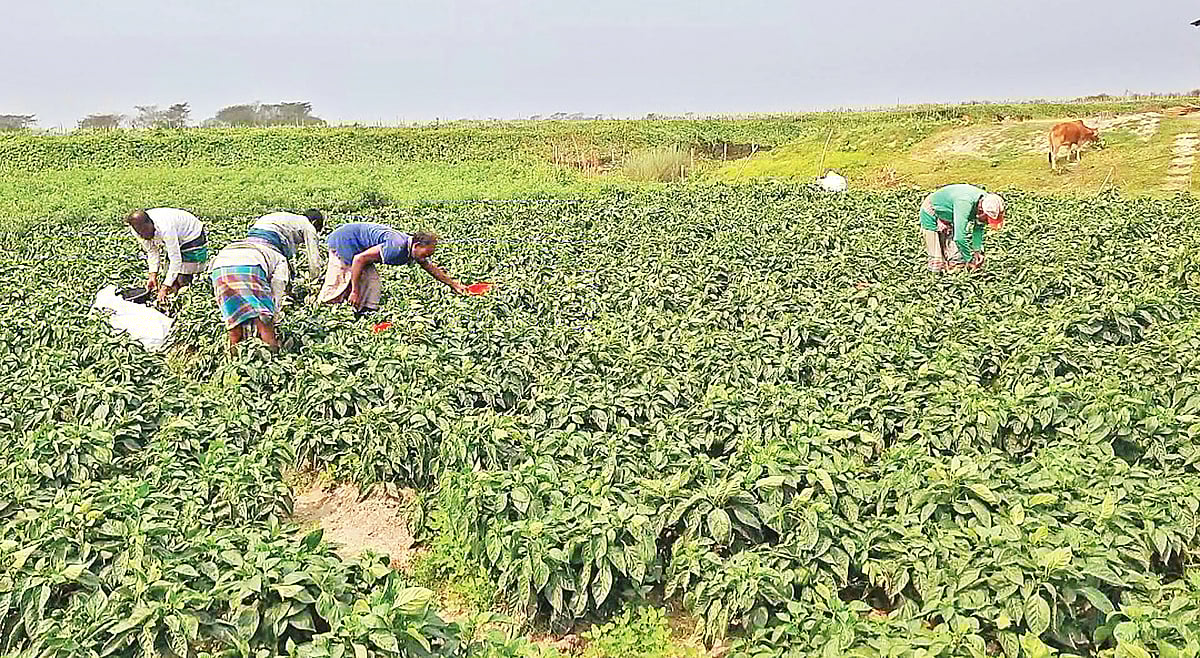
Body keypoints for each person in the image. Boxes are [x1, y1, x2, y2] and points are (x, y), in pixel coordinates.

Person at [318, 222, 466, 317]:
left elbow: (430, 268)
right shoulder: (396, 248)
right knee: (340, 281)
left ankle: (365, 314)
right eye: (426, 253)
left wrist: (454, 285)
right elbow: (358, 259)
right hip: (344, 242)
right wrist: (354, 291)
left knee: (372, 283)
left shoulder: (413, 251)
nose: (426, 258)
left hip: (361, 250)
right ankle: (322, 311)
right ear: (417, 245)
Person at [208, 234, 290, 355]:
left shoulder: (260, 249)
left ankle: (233, 361)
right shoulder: (281, 259)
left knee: (233, 324)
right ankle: (274, 357)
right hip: (250, 267)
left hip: (219, 269)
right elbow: (278, 285)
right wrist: (273, 312)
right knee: (265, 324)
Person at [125, 208, 209, 304]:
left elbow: (176, 259)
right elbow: (152, 250)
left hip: (191, 234)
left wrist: (165, 287)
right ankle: (170, 296)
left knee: (184, 276)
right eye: (140, 233)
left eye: (145, 231)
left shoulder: (165, 227)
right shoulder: (136, 229)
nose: (143, 235)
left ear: (150, 223)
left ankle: (186, 299)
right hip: (177, 234)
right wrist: (152, 275)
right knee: (171, 276)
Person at [918, 184, 1005, 273]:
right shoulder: (964, 203)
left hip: (949, 216)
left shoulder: (987, 201)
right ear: (981, 211)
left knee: (956, 259)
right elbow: (959, 237)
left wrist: (977, 251)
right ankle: (934, 279)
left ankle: (949, 272)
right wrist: (970, 259)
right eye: (987, 219)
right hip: (932, 211)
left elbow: (978, 228)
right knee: (937, 260)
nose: (987, 222)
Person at [247, 209, 325, 280]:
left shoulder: (293, 220)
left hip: (252, 234)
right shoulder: (308, 226)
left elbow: (290, 253)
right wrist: (315, 278)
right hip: (270, 235)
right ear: (314, 222)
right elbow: (313, 257)